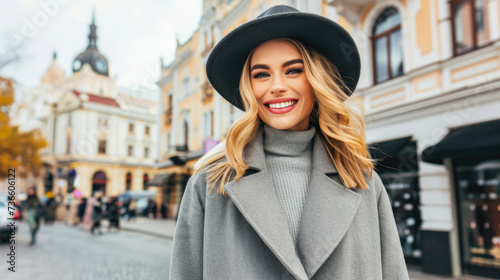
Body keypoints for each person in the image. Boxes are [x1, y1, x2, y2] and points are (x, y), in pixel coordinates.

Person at [170, 5, 409, 280]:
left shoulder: (362, 181)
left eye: (293, 70)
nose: (276, 86)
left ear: (317, 79)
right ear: (249, 88)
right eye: (261, 74)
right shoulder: (209, 184)